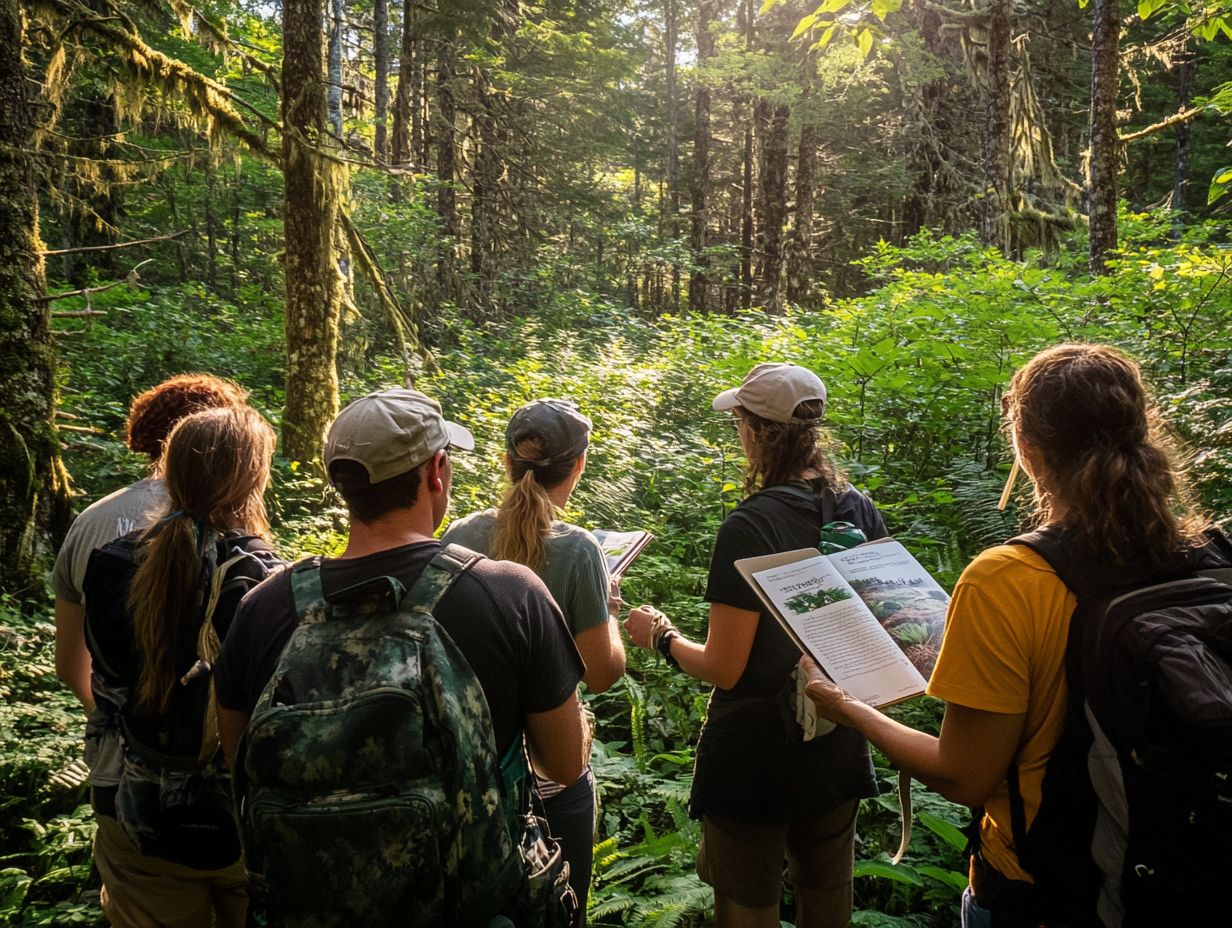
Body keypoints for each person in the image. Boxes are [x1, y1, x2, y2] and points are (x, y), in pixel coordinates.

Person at [799, 343, 1214, 928]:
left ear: (1027, 446)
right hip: (1187, 863)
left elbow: (965, 776)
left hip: (1046, 888)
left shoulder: (1007, 578)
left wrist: (850, 710)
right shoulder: (1209, 553)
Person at [214, 388, 589, 923]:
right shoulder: (510, 594)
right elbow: (565, 763)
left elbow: (241, 766)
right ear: (437, 471)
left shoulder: (264, 608)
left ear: (341, 484)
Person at [625, 362, 889, 928]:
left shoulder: (749, 525)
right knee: (829, 902)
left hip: (753, 757)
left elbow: (724, 666)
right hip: (836, 738)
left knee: (748, 910)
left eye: (739, 423)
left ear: (753, 431)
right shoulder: (857, 508)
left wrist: (661, 637)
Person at [81, 405, 281, 928]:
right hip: (244, 823)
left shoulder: (110, 563)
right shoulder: (270, 583)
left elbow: (105, 684)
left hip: (136, 812)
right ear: (254, 480)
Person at [443, 397, 626, 920]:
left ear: (506, 462)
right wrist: (608, 610)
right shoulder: (579, 549)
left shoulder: (460, 535)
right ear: (579, 466)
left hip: (475, 765)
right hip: (554, 767)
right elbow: (601, 674)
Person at [53, 373, 251, 710]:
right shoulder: (230, 517)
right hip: (209, 746)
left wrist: (111, 722)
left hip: (113, 750)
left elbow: (70, 664)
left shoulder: (90, 520)